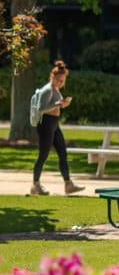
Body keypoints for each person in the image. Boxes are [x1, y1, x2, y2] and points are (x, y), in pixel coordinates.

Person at [30, 60, 84, 196]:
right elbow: (41, 108)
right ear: (52, 77)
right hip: (46, 125)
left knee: (62, 153)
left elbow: (55, 105)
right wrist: (58, 104)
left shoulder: (55, 89)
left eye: (63, 81)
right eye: (59, 80)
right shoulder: (47, 90)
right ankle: (35, 185)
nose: (61, 83)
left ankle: (68, 184)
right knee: (43, 155)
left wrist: (62, 104)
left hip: (54, 124)